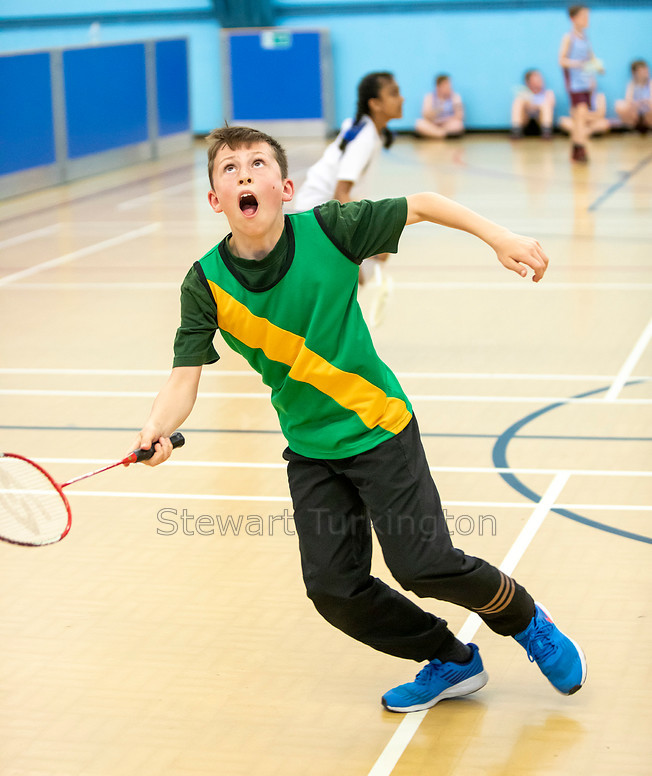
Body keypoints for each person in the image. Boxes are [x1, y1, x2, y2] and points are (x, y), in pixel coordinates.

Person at [132, 125, 586, 714]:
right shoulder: (206, 283)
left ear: (286, 187)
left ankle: (526, 620)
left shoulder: (331, 229)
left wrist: (498, 237)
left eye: (257, 164)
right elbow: (182, 377)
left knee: (424, 564)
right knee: (334, 590)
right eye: (228, 168)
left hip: (379, 428)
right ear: (216, 200)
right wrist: (157, 429)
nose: (244, 174)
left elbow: (421, 204)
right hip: (311, 449)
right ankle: (449, 659)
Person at [294, 71, 403, 286]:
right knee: (358, 275)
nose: (402, 99)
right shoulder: (364, 138)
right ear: (375, 104)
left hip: (315, 212)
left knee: (353, 277)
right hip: (315, 216)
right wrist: (373, 232)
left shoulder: (365, 128)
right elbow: (340, 194)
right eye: (393, 94)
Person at [558, 5, 603, 162]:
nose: (586, 19)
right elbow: (561, 60)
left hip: (585, 83)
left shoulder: (586, 38)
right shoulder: (569, 38)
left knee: (579, 118)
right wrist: (578, 64)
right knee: (581, 113)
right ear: (573, 18)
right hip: (575, 84)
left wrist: (597, 68)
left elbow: (591, 59)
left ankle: (576, 149)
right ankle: (581, 148)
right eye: (583, 16)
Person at [415, 74, 465, 139]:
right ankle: (443, 135)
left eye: (449, 85)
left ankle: (434, 134)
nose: (449, 87)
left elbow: (460, 116)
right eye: (445, 85)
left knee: (458, 125)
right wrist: (438, 108)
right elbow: (425, 115)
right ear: (438, 86)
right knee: (419, 123)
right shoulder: (429, 97)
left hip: (448, 124)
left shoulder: (455, 97)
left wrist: (445, 120)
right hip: (433, 124)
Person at [511, 70, 556, 139]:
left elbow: (552, 105)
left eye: (539, 78)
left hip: (540, 121)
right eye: (535, 78)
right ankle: (516, 131)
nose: (539, 80)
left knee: (546, 105)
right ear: (528, 82)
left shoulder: (548, 93)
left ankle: (546, 131)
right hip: (526, 121)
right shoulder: (524, 93)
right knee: (518, 101)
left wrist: (536, 106)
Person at [615, 59, 652, 133]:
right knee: (619, 104)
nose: (646, 72)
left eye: (646, 69)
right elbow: (628, 100)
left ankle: (648, 124)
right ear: (635, 73)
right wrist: (637, 104)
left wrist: (645, 102)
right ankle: (632, 125)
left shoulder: (650, 83)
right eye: (642, 70)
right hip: (636, 112)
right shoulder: (632, 84)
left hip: (647, 111)